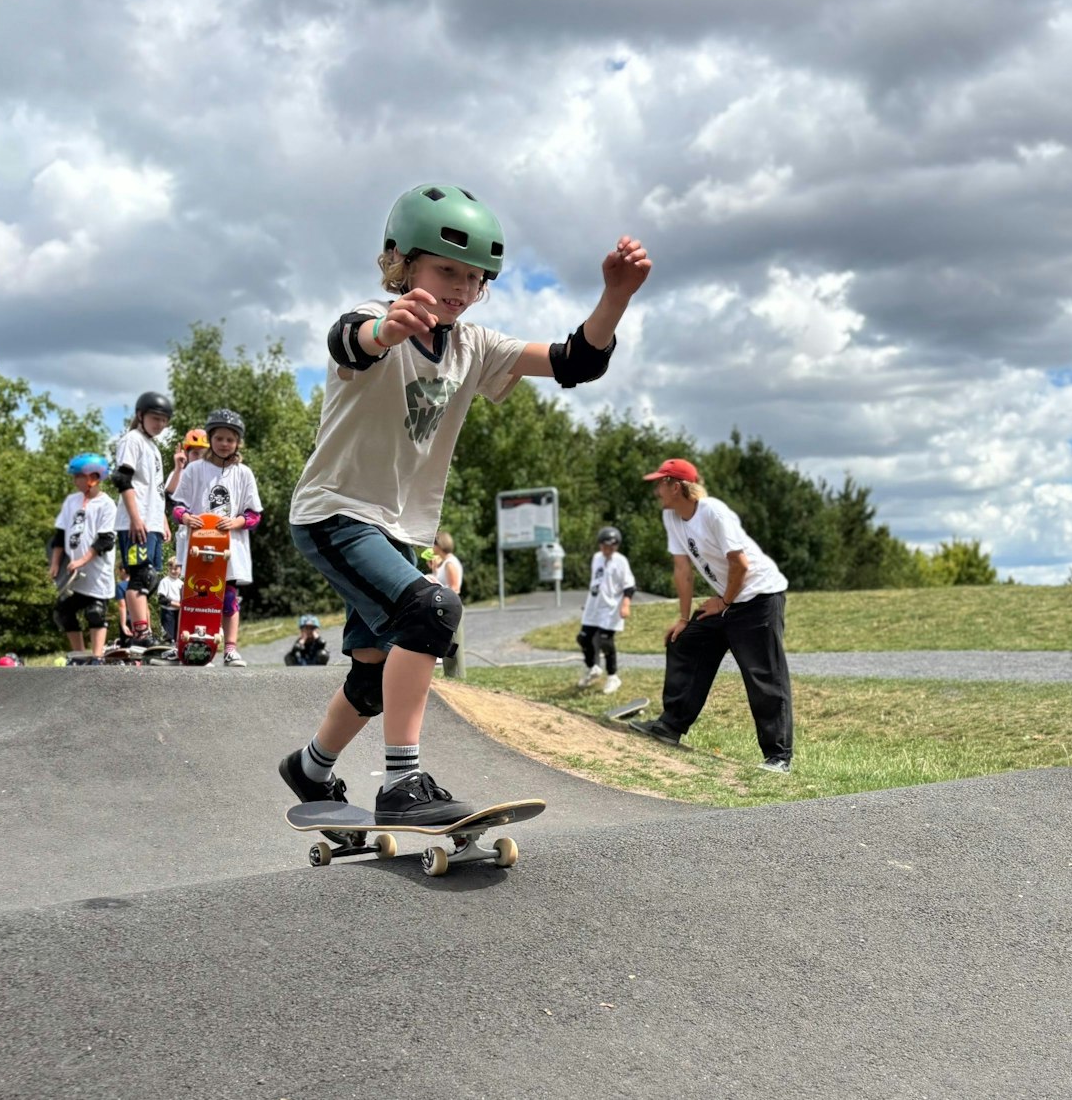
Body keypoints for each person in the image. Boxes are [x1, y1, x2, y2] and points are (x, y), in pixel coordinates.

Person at [279, 182, 650, 825]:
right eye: (445, 269)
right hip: (335, 513)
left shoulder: (472, 346)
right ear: (401, 262)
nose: (459, 286)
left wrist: (614, 297)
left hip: (396, 529)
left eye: (474, 278)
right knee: (432, 610)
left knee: (373, 671)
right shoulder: (374, 317)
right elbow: (349, 341)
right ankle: (403, 784)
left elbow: (574, 361)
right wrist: (382, 331)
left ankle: (310, 768)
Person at [625, 459, 795, 774]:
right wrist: (683, 617)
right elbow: (682, 569)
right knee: (685, 642)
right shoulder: (671, 517)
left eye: (660, 483)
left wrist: (724, 601)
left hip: (759, 598)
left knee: (763, 676)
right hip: (728, 599)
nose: (656, 490)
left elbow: (740, 564)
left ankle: (778, 757)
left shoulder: (713, 512)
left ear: (676, 486)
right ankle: (670, 727)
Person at [171, 409, 264, 666]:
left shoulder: (243, 473)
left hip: (228, 545)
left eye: (230, 440)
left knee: (229, 597)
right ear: (211, 438)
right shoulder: (194, 469)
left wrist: (236, 521)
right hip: (198, 544)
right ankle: (193, 644)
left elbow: (254, 514)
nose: (224, 444)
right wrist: (186, 517)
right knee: (195, 594)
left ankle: (230, 648)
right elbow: (178, 505)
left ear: (237, 443)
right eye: (220, 438)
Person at [111, 391, 173, 649]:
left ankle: (145, 632)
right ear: (140, 416)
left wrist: (163, 521)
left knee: (152, 579)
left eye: (163, 420)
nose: (159, 425)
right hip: (135, 522)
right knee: (141, 575)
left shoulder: (153, 446)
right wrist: (136, 518)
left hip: (152, 522)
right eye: (155, 418)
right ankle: (140, 634)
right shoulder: (132, 440)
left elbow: (154, 489)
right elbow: (122, 478)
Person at [48, 453, 119, 660]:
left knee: (94, 613)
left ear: (93, 477)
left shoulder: (107, 505)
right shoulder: (72, 501)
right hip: (74, 575)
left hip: (98, 573)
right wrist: (55, 564)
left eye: (78, 476)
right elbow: (60, 535)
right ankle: (78, 656)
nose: (74, 480)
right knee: (63, 612)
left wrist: (81, 560)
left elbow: (105, 540)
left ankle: (96, 658)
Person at [576, 525, 636, 695]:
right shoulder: (596, 558)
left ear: (616, 545)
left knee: (605, 642)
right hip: (593, 606)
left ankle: (613, 677)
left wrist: (626, 604)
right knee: (584, 638)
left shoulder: (621, 561)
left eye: (610, 546)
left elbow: (629, 585)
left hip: (611, 608)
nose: (606, 549)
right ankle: (592, 668)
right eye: (603, 545)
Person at [155, 560, 184, 643]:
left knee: (177, 635)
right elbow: (161, 599)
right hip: (168, 612)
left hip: (178, 612)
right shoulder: (165, 581)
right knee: (168, 636)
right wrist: (177, 605)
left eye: (175, 569)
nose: (172, 571)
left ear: (180, 569)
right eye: (170, 568)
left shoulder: (181, 583)